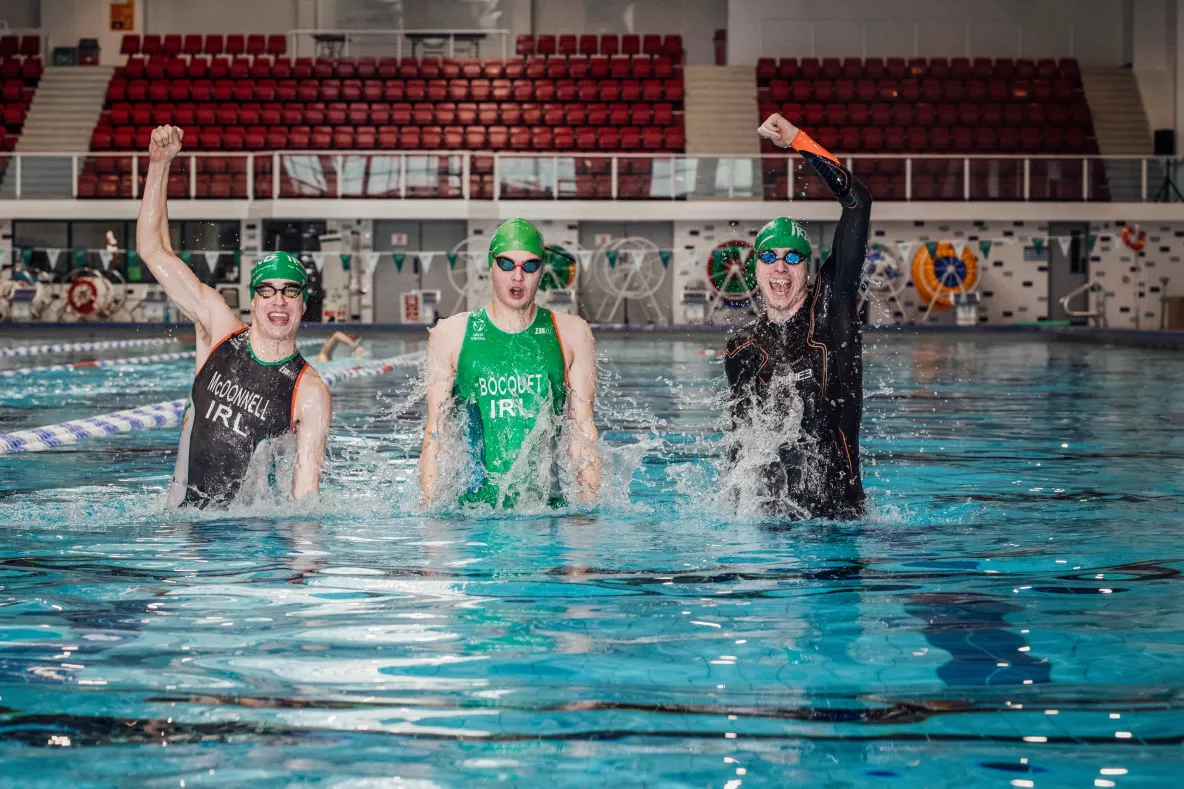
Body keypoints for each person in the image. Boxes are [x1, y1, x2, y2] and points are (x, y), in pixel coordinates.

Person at [136, 125, 332, 508]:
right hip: (179, 532)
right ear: (253, 300)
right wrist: (159, 167)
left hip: (247, 544)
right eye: (267, 291)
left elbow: (305, 500)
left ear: (303, 303)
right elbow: (153, 250)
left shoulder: (309, 391)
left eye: (291, 291)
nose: (279, 302)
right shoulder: (218, 330)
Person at [724, 114, 872, 519]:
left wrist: (799, 141)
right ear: (755, 267)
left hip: (840, 523)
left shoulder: (833, 309)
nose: (780, 269)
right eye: (769, 257)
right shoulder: (743, 347)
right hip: (772, 523)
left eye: (793, 258)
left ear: (808, 267)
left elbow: (859, 205)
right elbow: (739, 442)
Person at [420, 218, 600, 508]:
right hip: (473, 512)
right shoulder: (451, 335)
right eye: (507, 264)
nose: (517, 277)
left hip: (546, 508)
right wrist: (429, 511)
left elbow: (583, 432)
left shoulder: (572, 333)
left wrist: (589, 509)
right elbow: (437, 435)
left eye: (529, 266)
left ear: (541, 271)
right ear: (490, 266)